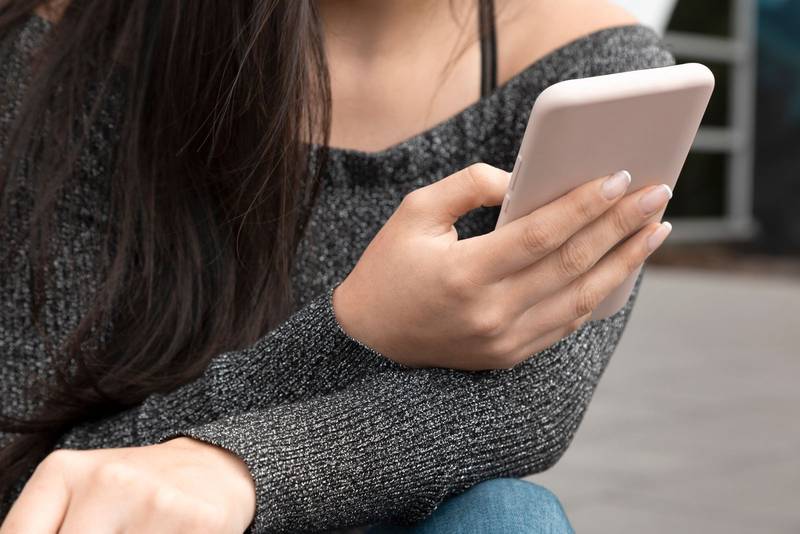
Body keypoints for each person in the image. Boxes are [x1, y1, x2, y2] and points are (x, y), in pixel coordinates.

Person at [0, 0, 675, 532]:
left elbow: (527, 406)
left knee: (500, 516)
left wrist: (241, 468)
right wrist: (359, 329)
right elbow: (26, 466)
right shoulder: (70, 44)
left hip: (357, 502)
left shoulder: (596, 64)